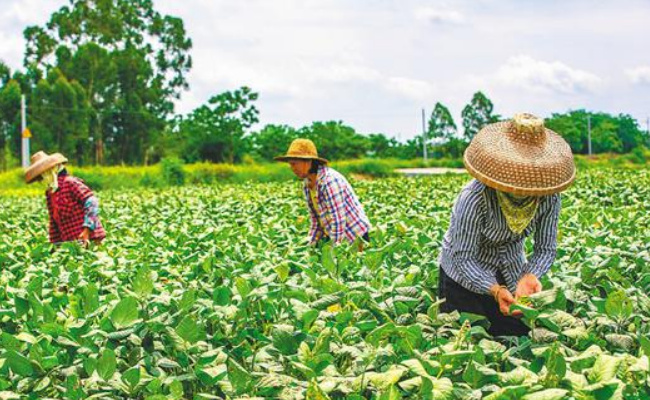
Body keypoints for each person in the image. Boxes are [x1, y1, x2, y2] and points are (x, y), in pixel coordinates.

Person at [438, 113, 575, 336]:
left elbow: (546, 249)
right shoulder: (474, 198)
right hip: (462, 275)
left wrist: (529, 276)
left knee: (515, 336)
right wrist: (494, 290)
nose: (526, 189)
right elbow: (463, 258)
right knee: (467, 337)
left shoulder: (549, 197)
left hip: (510, 267)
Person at [275, 139, 370, 247]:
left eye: (294, 164)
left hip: (355, 237)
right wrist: (309, 247)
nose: (292, 168)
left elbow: (338, 221)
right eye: (290, 164)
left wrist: (333, 252)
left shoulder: (329, 181)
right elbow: (316, 222)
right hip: (337, 236)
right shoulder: (308, 184)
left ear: (308, 162)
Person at [25, 151, 106, 246]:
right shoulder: (50, 193)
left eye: (43, 175)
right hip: (70, 244)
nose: (42, 179)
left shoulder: (70, 183)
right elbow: (53, 223)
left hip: (90, 240)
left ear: (52, 170)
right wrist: (54, 246)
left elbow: (92, 202)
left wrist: (87, 230)